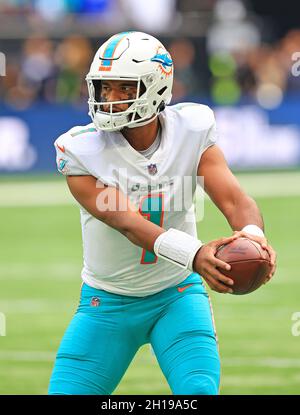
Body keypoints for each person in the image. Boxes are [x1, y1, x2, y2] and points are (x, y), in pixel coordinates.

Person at [48, 31, 276, 395]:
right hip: (107, 302)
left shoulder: (192, 129)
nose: (110, 98)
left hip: (177, 295)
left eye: (124, 88)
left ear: (155, 87)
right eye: (105, 88)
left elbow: (233, 198)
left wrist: (253, 235)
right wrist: (196, 254)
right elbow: (126, 222)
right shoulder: (80, 150)